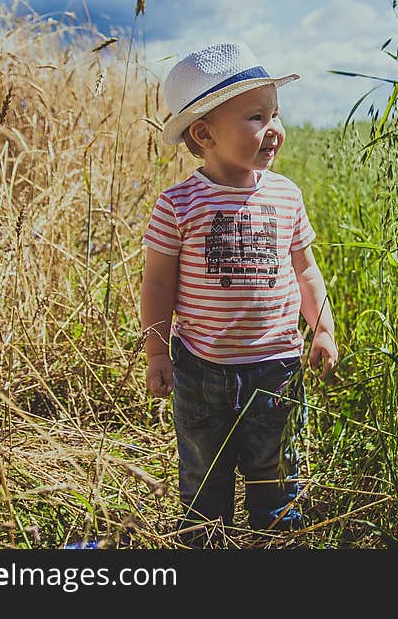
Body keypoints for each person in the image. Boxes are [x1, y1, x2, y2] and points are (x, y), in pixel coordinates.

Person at [140, 41, 338, 547]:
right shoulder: (178, 204)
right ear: (204, 133)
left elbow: (305, 269)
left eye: (275, 113)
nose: (274, 128)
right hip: (200, 367)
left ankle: (274, 535)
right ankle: (208, 539)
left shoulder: (285, 194)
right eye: (256, 116)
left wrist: (323, 328)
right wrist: (157, 350)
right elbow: (158, 282)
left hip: (275, 363)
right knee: (205, 466)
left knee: (274, 461)